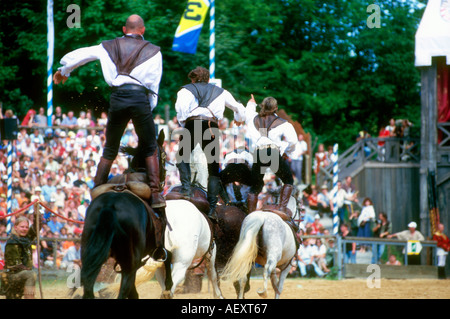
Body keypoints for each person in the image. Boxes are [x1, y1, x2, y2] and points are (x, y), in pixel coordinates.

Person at [53, 14, 165, 210]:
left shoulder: (107, 46)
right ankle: (155, 195)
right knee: (150, 147)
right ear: (143, 30)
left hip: (118, 98)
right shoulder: (154, 51)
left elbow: (83, 54)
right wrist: (147, 108)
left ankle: (97, 189)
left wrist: (64, 70)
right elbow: (154, 86)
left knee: (110, 148)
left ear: (124, 29)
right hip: (140, 99)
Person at [174, 66, 246, 220]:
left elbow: (180, 110)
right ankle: (212, 208)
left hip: (192, 124)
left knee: (182, 157)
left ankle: (186, 190)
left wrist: (183, 123)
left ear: (193, 78)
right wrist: (239, 119)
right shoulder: (221, 91)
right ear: (208, 79)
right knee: (213, 168)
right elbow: (238, 107)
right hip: (211, 127)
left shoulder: (185, 90)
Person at [240, 95, 298, 215]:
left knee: (255, 187)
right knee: (288, 180)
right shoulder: (283, 123)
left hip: (258, 153)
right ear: (275, 108)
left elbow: (249, 112)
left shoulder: (253, 119)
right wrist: (287, 153)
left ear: (262, 106)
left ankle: (250, 215)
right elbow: (293, 141)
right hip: (272, 153)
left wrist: (251, 103)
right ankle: (282, 209)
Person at [4, 216, 40, 299]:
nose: (24, 229)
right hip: (12, 276)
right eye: (22, 227)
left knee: (30, 274)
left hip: (22, 274)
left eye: (27, 227)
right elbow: (15, 265)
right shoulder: (12, 242)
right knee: (31, 274)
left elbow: (36, 227)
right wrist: (27, 269)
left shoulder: (26, 238)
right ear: (15, 227)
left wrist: (36, 212)